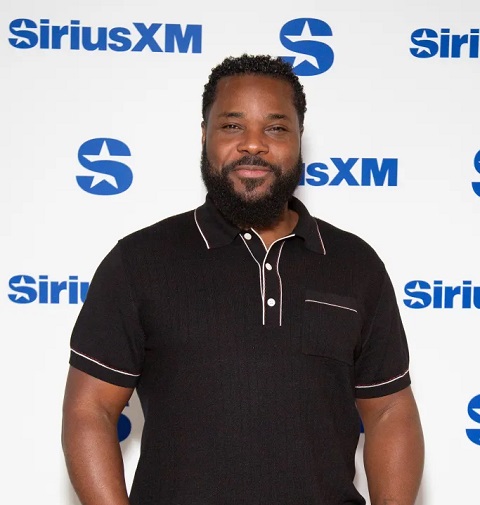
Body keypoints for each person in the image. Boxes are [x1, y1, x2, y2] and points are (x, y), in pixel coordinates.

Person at [62, 54, 424, 505]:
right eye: (232, 126)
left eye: (276, 128)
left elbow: (390, 410)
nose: (253, 144)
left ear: (300, 139)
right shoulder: (139, 261)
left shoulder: (355, 264)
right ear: (204, 135)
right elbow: (90, 410)